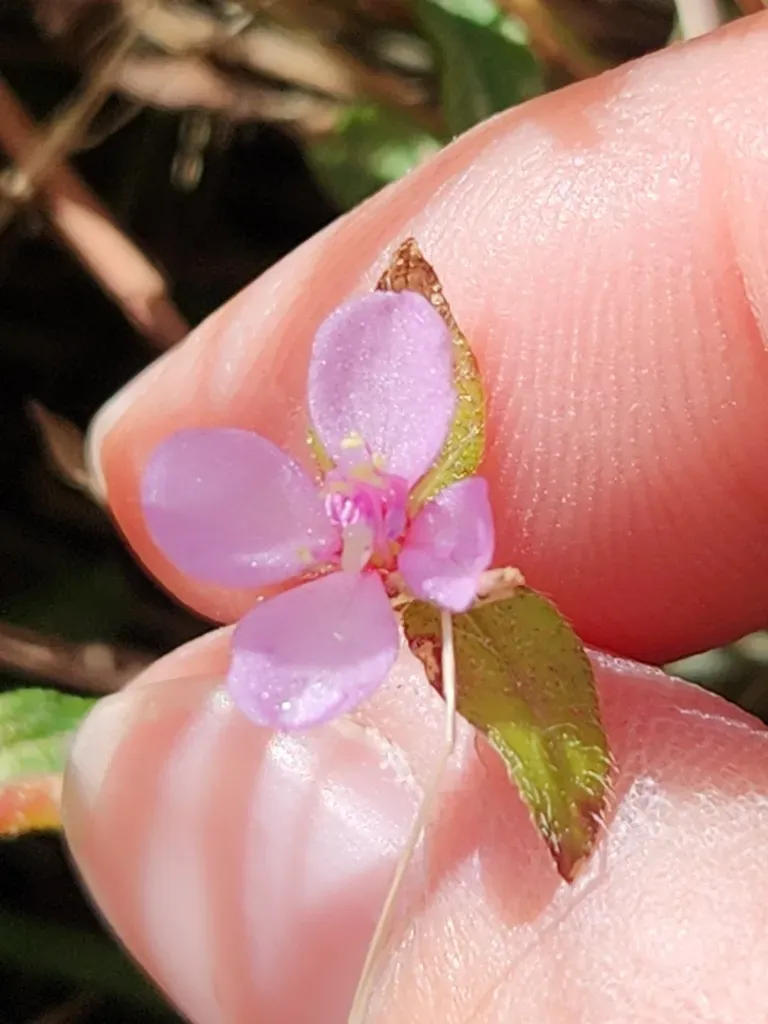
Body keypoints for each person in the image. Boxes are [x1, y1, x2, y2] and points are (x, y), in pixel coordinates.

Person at [63, 13, 768, 1023]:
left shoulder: (444, 554)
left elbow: (412, 385)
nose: (357, 514)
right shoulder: (357, 575)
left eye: (373, 514)